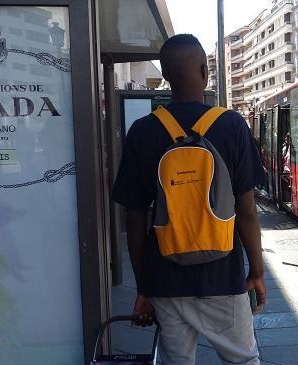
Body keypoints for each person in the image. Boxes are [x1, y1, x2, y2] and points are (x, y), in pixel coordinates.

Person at [112, 34, 266, 365]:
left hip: (166, 280)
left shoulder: (142, 132)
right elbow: (247, 211)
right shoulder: (231, 125)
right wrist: (256, 269)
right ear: (204, 70)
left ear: (166, 75)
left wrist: (144, 288)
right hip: (223, 277)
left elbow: (134, 219)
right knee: (243, 359)